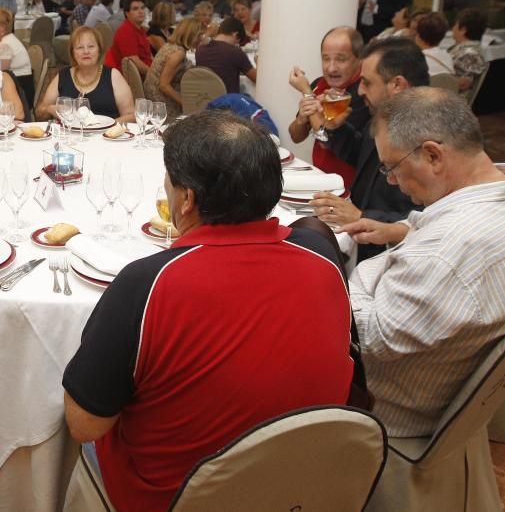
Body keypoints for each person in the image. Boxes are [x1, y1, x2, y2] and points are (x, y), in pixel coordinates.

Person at [62, 111, 354, 511]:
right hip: (299, 489)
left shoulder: (147, 283)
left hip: (174, 499)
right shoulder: (322, 256)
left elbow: (85, 424)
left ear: (187, 199)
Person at [341, 87, 505, 437]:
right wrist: (399, 230)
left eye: (392, 167)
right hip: (459, 369)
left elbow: (373, 338)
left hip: (400, 410)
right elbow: (449, 226)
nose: (391, 180)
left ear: (433, 155)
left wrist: (356, 271)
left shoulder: (444, 254)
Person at [309, 38, 425, 262]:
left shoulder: (427, 135)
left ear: (397, 85)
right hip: (365, 242)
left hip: (395, 257)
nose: (360, 91)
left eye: (367, 82)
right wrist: (336, 129)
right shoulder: (385, 117)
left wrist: (362, 215)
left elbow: (431, 221)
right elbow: (360, 158)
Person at [287, 26, 370, 188]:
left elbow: (328, 139)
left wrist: (306, 92)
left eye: (341, 59)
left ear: (359, 59)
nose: (331, 68)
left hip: (350, 188)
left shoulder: (364, 92)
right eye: (326, 58)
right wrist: (302, 119)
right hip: (321, 178)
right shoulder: (319, 84)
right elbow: (295, 137)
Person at [36, 26, 135, 123]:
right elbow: (39, 113)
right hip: (70, 137)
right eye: (80, 47)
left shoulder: (113, 76)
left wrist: (107, 127)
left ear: (99, 51)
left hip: (106, 136)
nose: (86, 51)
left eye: (91, 46)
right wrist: (51, 108)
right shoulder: (63, 76)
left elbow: (131, 116)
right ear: (73, 53)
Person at [144, 18, 202, 119]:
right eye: (199, 36)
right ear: (191, 35)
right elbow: (163, 85)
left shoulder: (170, 45)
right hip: (159, 101)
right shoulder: (178, 53)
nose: (200, 39)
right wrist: (184, 103)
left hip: (152, 92)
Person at [194, 17, 256, 94]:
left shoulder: (200, 49)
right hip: (227, 101)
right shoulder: (235, 52)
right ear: (235, 35)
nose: (236, 44)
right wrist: (258, 62)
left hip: (203, 99)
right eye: (237, 42)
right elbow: (257, 79)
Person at [0, 8, 33, 103]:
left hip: (20, 92)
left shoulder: (4, 45)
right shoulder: (9, 39)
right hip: (23, 86)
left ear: (2, 27)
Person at [104, 0, 152, 75]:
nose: (141, 11)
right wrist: (154, 75)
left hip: (145, 73)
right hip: (134, 79)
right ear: (127, 13)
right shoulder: (126, 31)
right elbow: (134, 62)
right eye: (135, 9)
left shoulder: (140, 29)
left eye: (142, 8)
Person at [449, 8, 488, 96]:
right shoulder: (468, 50)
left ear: (463, 29)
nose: (453, 28)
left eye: (455, 24)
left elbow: (461, 85)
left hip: (448, 102)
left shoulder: (470, 54)